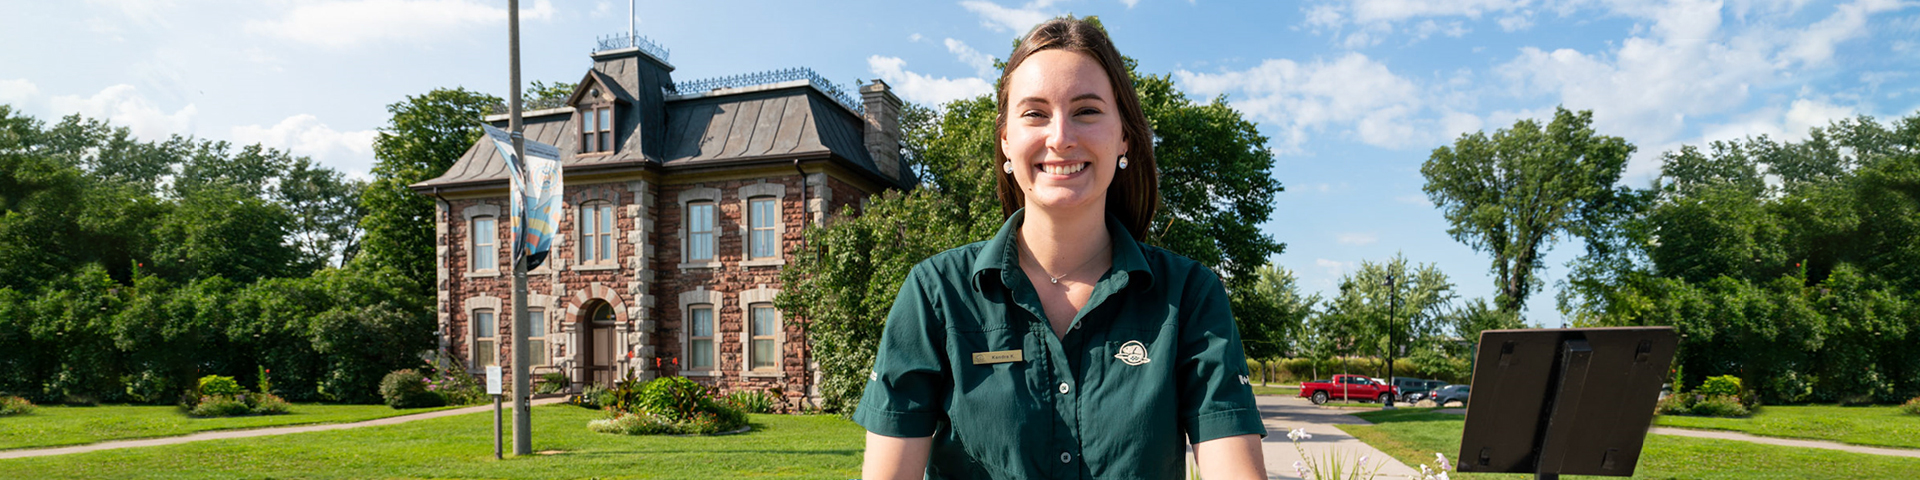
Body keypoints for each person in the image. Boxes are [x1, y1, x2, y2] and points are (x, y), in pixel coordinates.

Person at [853, 16, 1268, 480]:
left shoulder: (1190, 295)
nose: (1060, 137)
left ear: (1124, 137)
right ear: (1006, 141)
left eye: (1087, 111)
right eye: (1034, 113)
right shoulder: (935, 293)